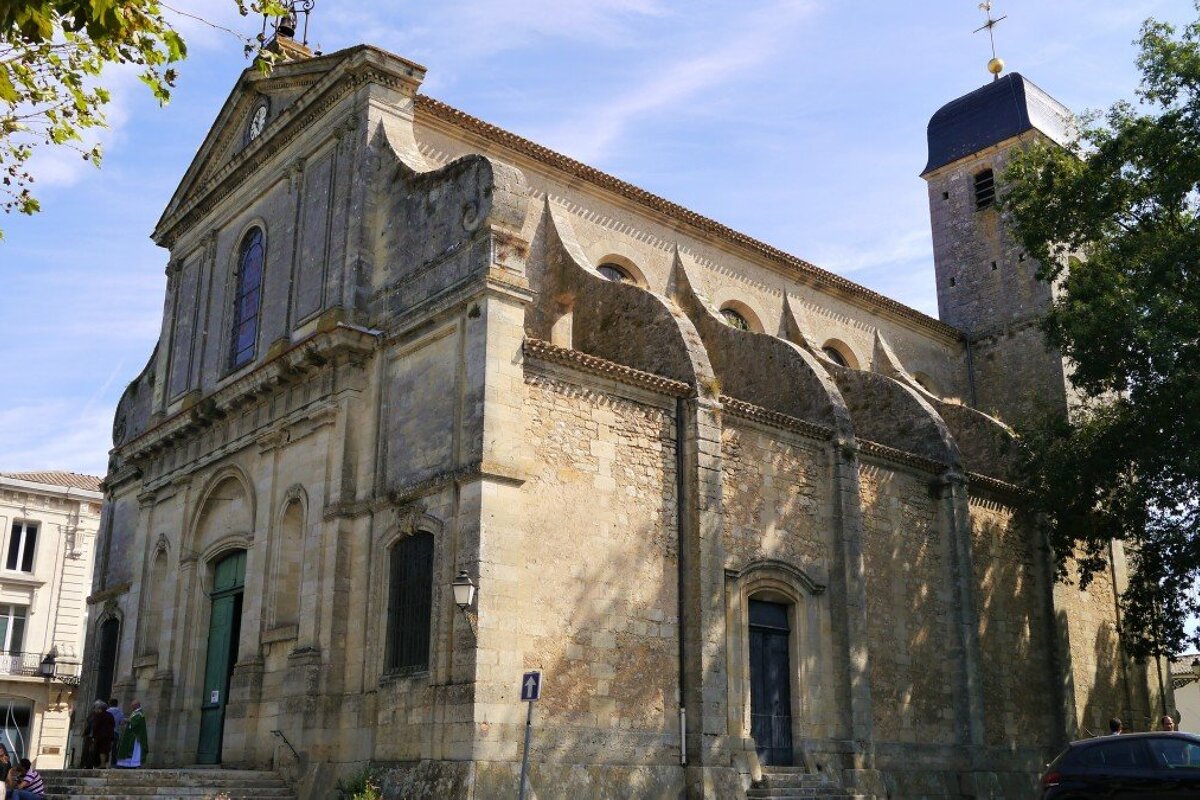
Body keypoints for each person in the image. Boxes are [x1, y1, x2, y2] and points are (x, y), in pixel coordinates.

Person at [115, 700, 148, 769]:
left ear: (137, 705)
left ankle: (134, 763)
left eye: (132, 705)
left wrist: (126, 720)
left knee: (134, 750)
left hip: (135, 735)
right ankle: (126, 764)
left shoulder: (139, 713)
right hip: (131, 734)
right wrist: (127, 721)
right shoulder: (135, 713)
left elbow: (136, 722)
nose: (131, 706)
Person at [89, 700, 115, 768]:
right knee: (106, 750)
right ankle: (105, 764)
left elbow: (95, 726)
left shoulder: (98, 715)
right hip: (109, 735)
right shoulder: (110, 715)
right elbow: (113, 724)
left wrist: (93, 736)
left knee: (101, 750)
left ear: (99, 708)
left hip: (100, 735)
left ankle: (102, 764)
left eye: (96, 708)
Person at [106, 698, 125, 766]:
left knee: (106, 747)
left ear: (109, 704)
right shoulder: (120, 712)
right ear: (117, 704)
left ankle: (104, 763)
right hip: (115, 732)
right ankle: (113, 763)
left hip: (107, 732)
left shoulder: (106, 712)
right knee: (114, 748)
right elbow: (122, 723)